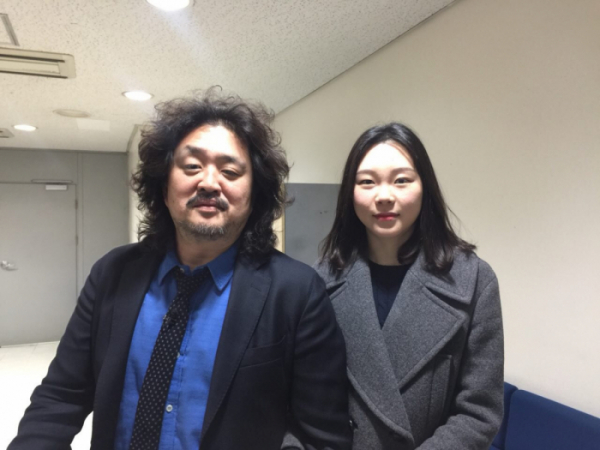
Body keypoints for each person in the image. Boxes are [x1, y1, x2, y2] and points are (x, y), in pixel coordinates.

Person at [9, 88, 352, 450]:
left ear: (256, 195)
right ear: (164, 186)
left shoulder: (297, 292)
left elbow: (321, 436)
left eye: (230, 171)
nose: (209, 182)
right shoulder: (112, 274)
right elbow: (60, 397)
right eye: (191, 166)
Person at [317, 123, 503, 449]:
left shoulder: (474, 280)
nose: (384, 196)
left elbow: (479, 412)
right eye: (367, 182)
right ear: (350, 192)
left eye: (401, 180)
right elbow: (303, 401)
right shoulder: (319, 282)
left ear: (424, 187)